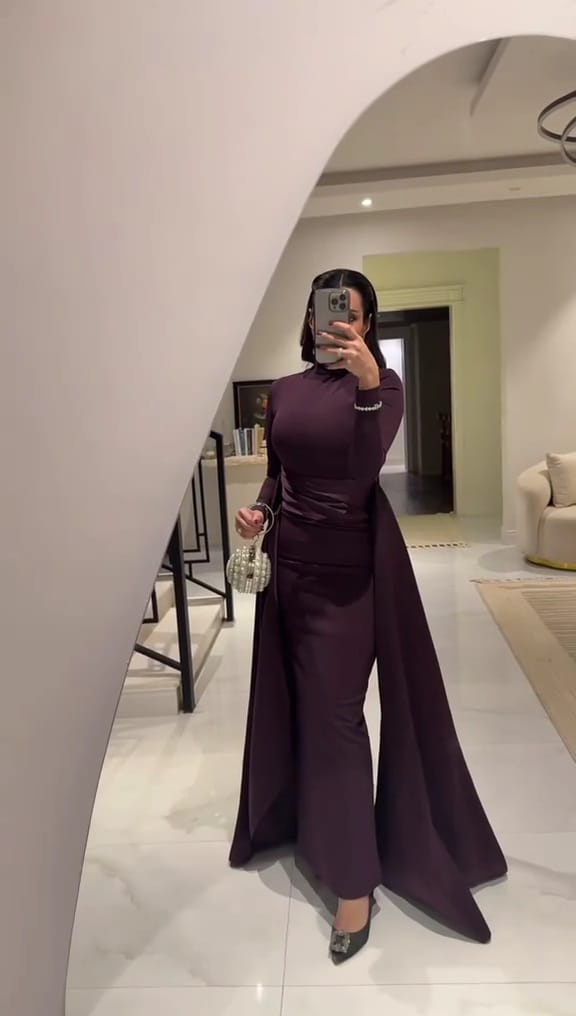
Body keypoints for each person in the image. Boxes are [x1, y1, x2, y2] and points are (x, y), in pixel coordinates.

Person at [229, 268, 506, 964]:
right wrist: (259, 509)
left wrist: (366, 386)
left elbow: (360, 472)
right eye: (326, 312)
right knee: (296, 708)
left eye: (351, 314)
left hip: (348, 578)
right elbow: (279, 470)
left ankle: (355, 883)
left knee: (337, 719)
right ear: (309, 319)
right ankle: (307, 827)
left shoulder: (385, 387)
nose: (337, 323)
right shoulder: (284, 391)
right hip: (286, 571)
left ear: (367, 322)